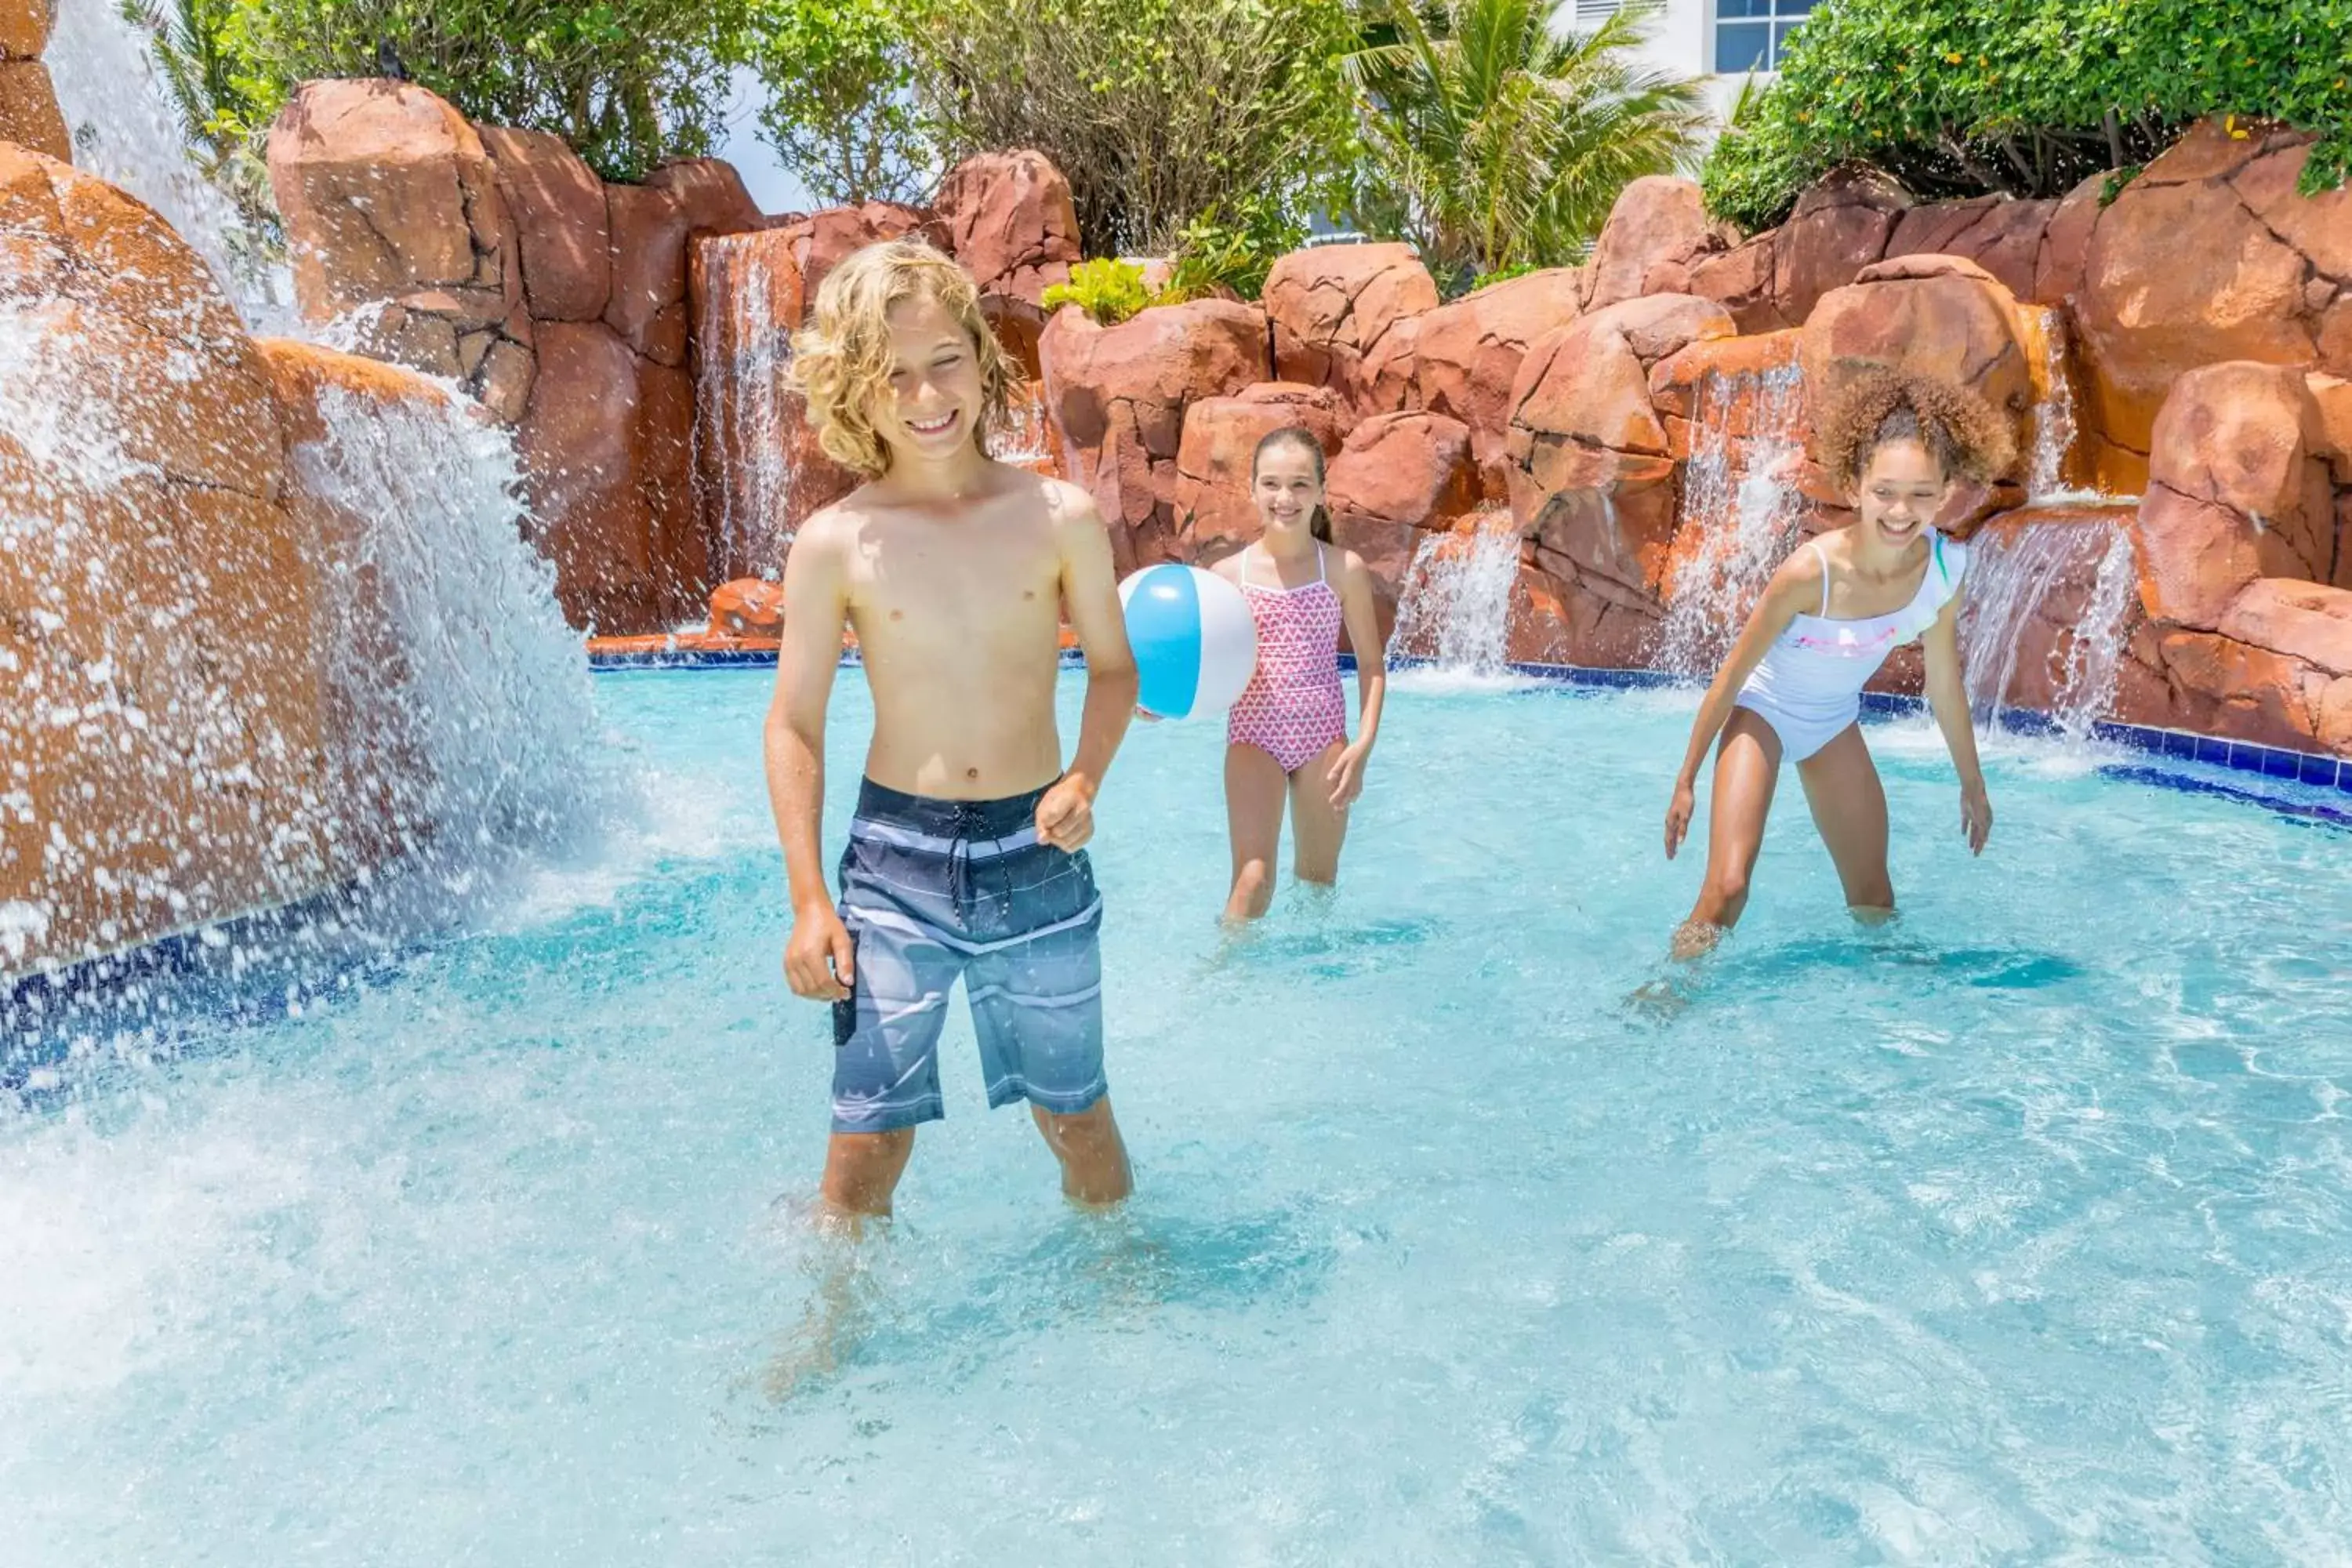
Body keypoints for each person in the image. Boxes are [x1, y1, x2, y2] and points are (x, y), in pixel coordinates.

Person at [763, 240, 1140, 1221]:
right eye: (893, 374)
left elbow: (1112, 669)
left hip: (1038, 850)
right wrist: (810, 900)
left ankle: (1124, 1313)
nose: (926, 393)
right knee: (864, 1147)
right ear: (856, 387)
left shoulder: (1057, 515)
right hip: (896, 862)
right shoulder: (837, 539)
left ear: (981, 356)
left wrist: (1086, 779)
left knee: (1079, 1120)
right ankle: (830, 1338)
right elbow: (795, 722)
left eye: (944, 361)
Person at [1661, 368, 2013, 959]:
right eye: (1885, 492)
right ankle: (1665, 996)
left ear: (1949, 490)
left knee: (1874, 897)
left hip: (1832, 724)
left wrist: (1972, 784)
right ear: (1854, 486)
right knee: (1727, 889)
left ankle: (1890, 1019)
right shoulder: (1810, 572)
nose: (1902, 511)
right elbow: (1734, 675)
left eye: (1922, 494)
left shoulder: (1946, 571)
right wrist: (1686, 779)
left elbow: (1944, 686)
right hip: (1763, 713)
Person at [1210, 426, 1387, 922]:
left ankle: (1305, 993)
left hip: (1324, 743)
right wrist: (1157, 702)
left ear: (1321, 493)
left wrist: (1364, 744)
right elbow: (1197, 661)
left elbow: (1372, 666)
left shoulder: (1342, 569)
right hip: (1253, 737)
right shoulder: (1228, 576)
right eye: (1270, 484)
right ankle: (1224, 983)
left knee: (1317, 886)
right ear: (1251, 489)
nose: (1284, 498)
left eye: (1299, 485)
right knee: (1252, 878)